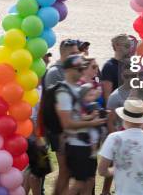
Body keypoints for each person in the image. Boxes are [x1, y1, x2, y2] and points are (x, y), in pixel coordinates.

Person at [56, 55, 106, 195]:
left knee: (88, 181)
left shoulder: (76, 89)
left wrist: (91, 117)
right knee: (79, 183)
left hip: (87, 143)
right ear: (69, 70)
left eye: (82, 68)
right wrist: (92, 121)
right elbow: (67, 123)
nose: (81, 71)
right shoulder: (64, 92)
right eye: (78, 68)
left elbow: (78, 114)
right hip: (77, 144)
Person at [98, 98, 143, 195]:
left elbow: (102, 170)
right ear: (142, 119)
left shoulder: (114, 138)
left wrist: (116, 169)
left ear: (124, 118)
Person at [101, 34, 132, 102]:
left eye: (130, 45)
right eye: (127, 45)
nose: (130, 48)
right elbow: (107, 97)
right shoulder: (109, 67)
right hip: (118, 107)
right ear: (116, 46)